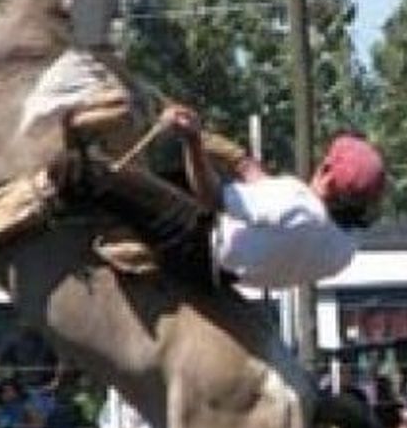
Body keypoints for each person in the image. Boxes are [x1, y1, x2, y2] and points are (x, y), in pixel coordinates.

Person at [61, 103, 385, 290]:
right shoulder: (343, 251)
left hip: (194, 239)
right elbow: (268, 205)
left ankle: (46, 205)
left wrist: (192, 141)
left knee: (86, 170)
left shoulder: (297, 202)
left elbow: (211, 198)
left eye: (325, 162)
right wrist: (239, 159)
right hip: (219, 280)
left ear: (327, 173)